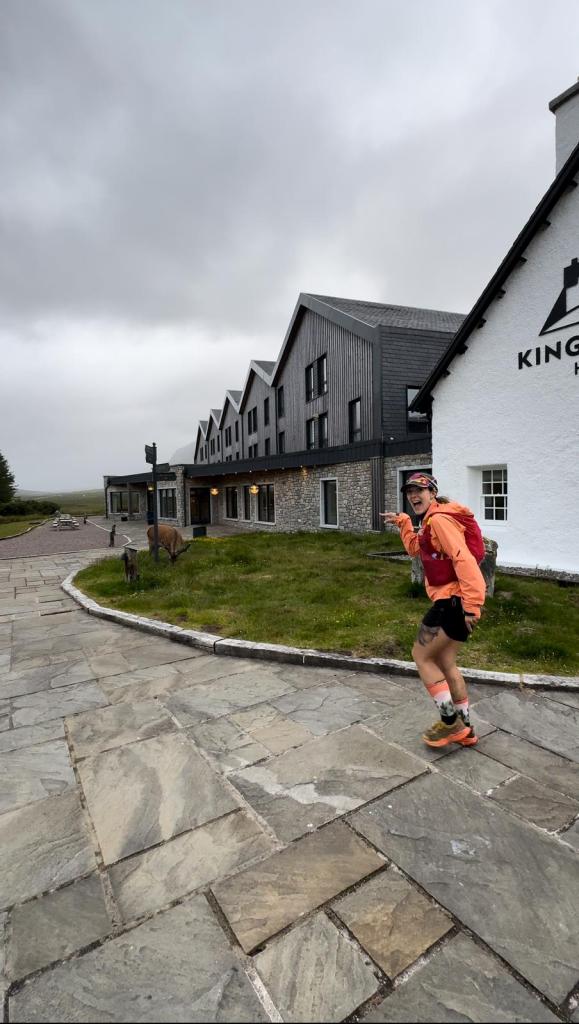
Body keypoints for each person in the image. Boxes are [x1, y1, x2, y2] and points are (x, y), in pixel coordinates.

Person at [381, 472, 486, 749]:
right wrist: (404, 522)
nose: (413, 495)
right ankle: (467, 729)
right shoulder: (430, 522)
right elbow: (415, 549)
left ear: (433, 493)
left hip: (452, 602)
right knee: (446, 662)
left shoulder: (439, 520)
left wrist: (472, 605)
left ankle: (451, 724)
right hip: (457, 602)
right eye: (409, 492)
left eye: (419, 490)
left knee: (421, 655)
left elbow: (463, 560)